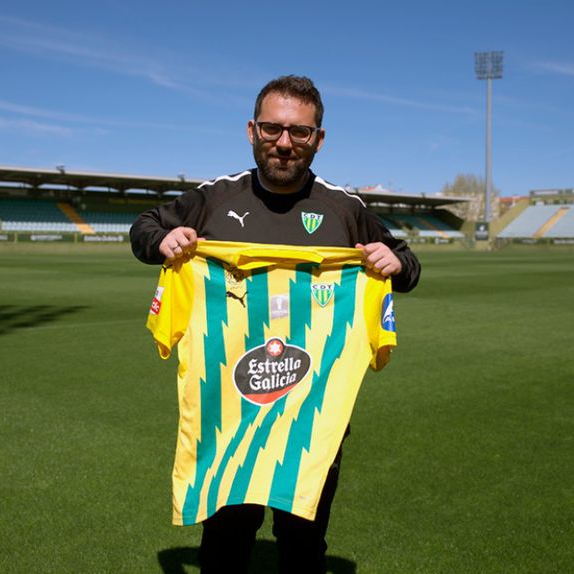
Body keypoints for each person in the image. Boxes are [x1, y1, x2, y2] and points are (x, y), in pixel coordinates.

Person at [131, 75, 420, 573]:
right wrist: (162, 241)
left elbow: (407, 263)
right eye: (272, 129)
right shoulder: (215, 198)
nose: (284, 143)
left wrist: (395, 264)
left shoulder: (344, 208)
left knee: (303, 548)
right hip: (230, 421)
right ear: (251, 131)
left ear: (319, 139)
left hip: (312, 422)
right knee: (225, 545)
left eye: (300, 133)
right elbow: (143, 227)